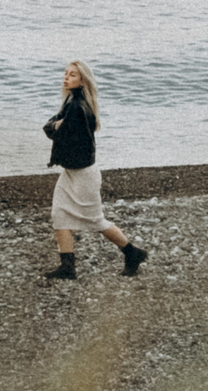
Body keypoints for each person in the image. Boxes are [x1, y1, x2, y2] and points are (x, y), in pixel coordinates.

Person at [41, 60, 146, 280]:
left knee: (96, 221)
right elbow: (52, 126)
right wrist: (55, 126)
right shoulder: (72, 101)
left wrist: (55, 127)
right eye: (66, 73)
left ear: (82, 81)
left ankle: (132, 253)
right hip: (72, 172)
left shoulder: (77, 107)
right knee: (59, 215)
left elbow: (58, 133)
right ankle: (67, 267)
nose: (66, 77)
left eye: (72, 75)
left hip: (83, 175)